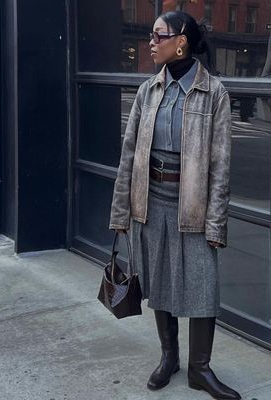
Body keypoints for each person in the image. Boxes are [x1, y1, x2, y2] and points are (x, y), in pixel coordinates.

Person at [109, 11, 241, 400]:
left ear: (180, 40)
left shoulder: (213, 92)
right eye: (151, 35)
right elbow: (129, 154)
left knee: (203, 286)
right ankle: (170, 358)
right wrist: (121, 212)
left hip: (194, 207)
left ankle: (200, 369)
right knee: (159, 284)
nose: (151, 42)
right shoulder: (149, 89)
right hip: (150, 204)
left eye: (158, 35)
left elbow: (221, 165)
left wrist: (216, 223)